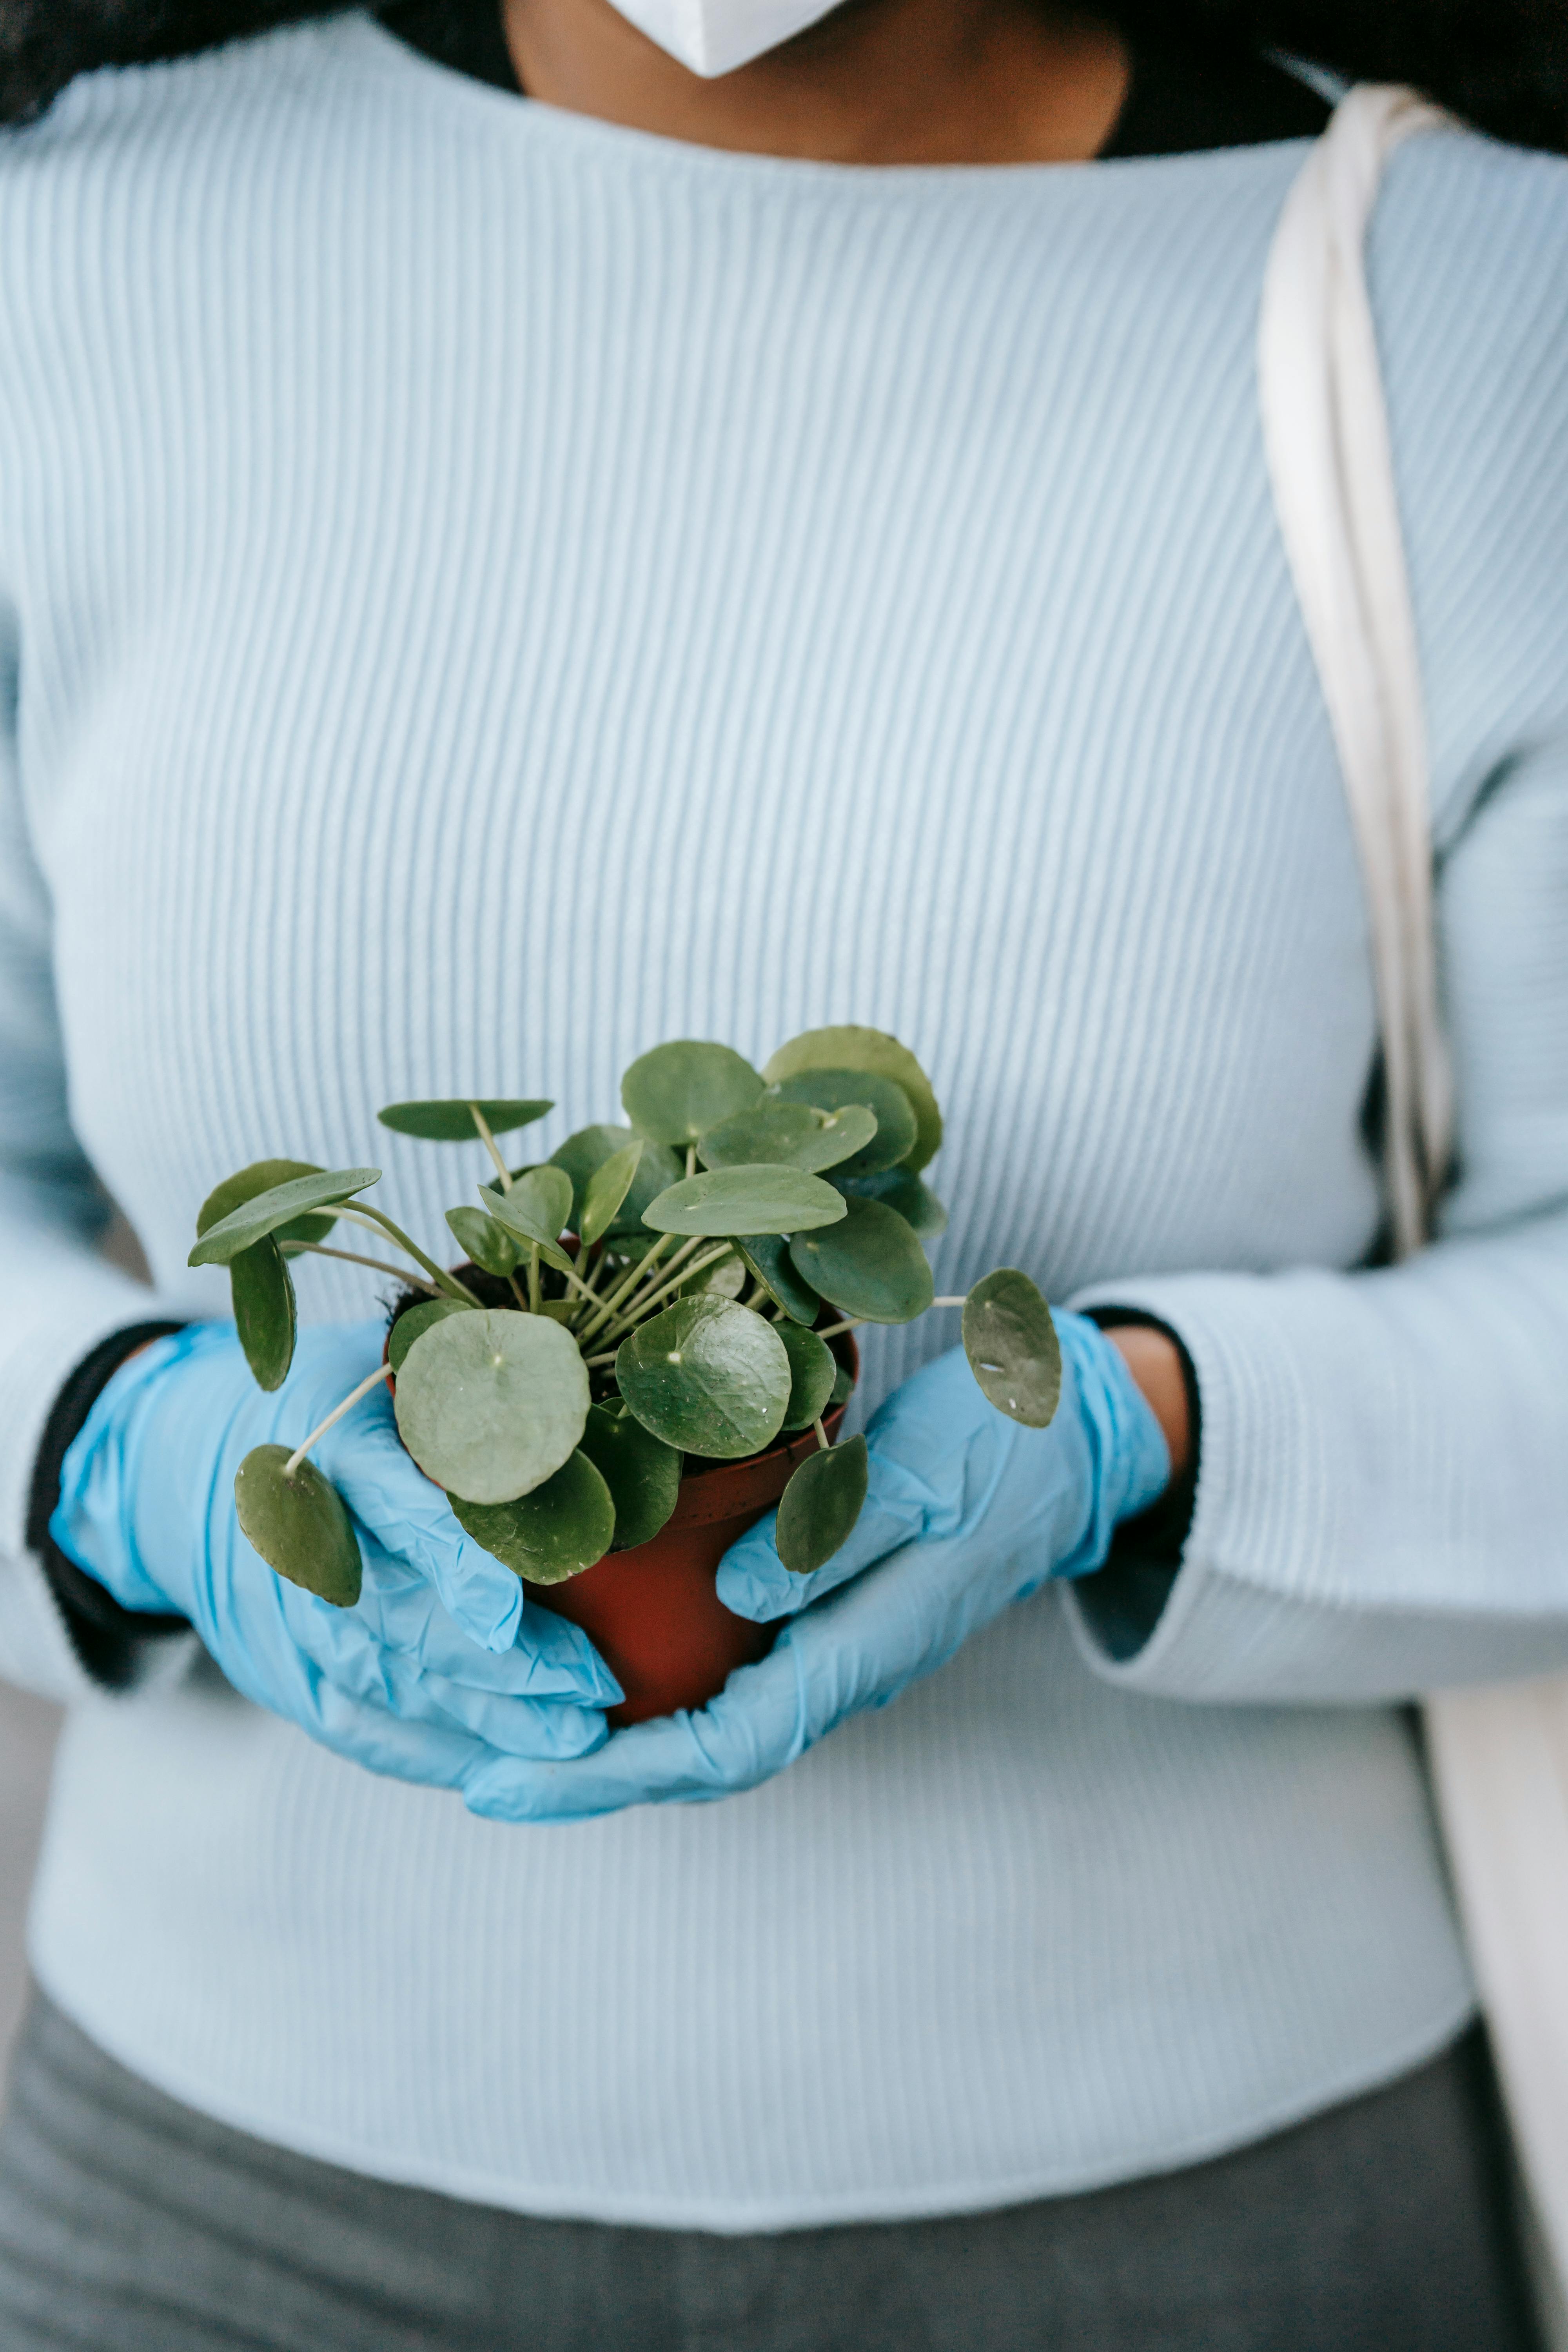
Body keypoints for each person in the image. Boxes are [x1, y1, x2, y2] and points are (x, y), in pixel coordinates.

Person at [0, 0, 1561, 2342]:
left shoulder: (1470, 305)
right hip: (225, 2228)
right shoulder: (77, 251)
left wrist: (1146, 1427)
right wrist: (121, 1456)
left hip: (1207, 2219)